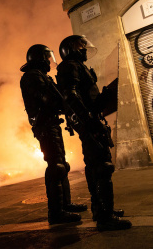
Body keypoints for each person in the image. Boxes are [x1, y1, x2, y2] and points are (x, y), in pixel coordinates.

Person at [55, 35, 131, 231]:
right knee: (103, 167)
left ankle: (101, 209)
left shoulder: (77, 66)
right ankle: (106, 216)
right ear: (71, 48)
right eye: (81, 46)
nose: (84, 49)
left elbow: (86, 98)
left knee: (95, 167)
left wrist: (104, 97)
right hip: (89, 124)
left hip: (91, 121)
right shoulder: (70, 66)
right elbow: (71, 97)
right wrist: (89, 121)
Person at [20, 44, 87, 225]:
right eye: (47, 58)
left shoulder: (41, 76)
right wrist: (63, 98)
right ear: (40, 59)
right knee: (55, 166)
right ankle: (56, 212)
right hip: (45, 125)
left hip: (51, 124)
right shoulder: (32, 77)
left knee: (61, 164)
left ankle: (65, 204)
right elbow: (47, 99)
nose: (50, 62)